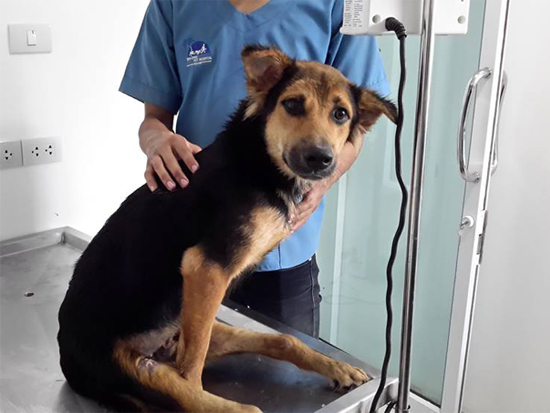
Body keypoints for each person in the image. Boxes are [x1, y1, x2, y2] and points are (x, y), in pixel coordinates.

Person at [120, 0, 389, 338]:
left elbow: (354, 127)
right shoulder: (174, 5)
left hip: (282, 250)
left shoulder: (336, 5)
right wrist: (157, 142)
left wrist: (320, 185)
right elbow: (153, 120)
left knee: (284, 379)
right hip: (189, 244)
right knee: (180, 374)